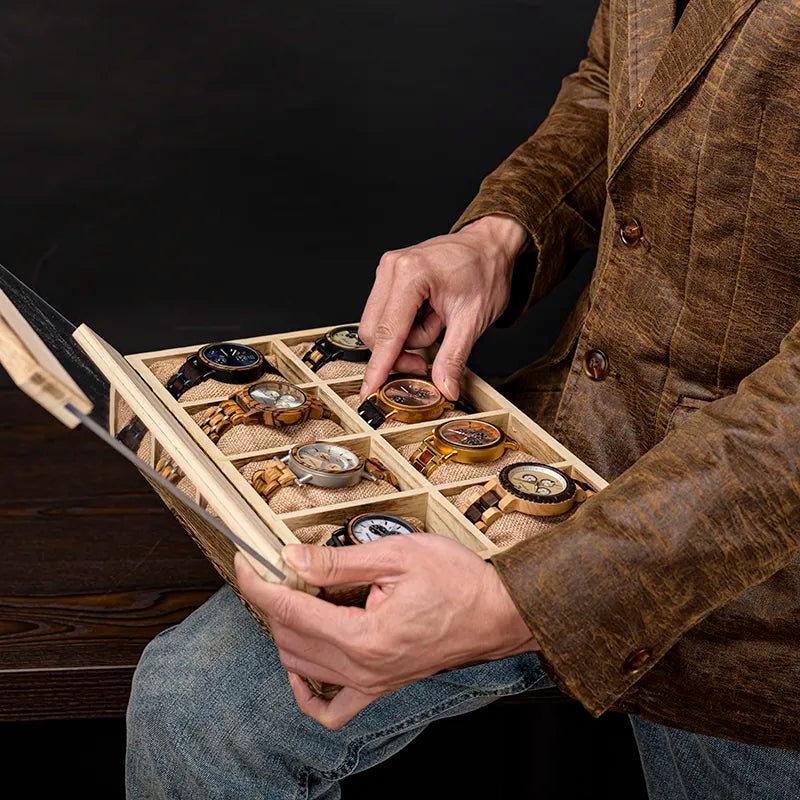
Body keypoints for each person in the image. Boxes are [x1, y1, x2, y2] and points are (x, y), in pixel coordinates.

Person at [127, 0, 800, 797]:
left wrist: (527, 602)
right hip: (561, 450)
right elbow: (614, 86)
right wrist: (500, 232)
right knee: (194, 709)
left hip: (760, 595)